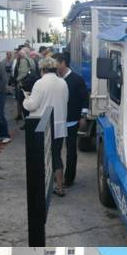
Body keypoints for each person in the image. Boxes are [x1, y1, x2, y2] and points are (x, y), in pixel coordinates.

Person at [23, 57, 68, 196]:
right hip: (59, 124)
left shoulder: (40, 83)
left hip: (43, 125)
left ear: (42, 69)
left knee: (41, 157)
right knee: (56, 155)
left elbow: (32, 105)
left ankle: (41, 187)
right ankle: (60, 186)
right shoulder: (63, 82)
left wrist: (26, 99)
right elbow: (65, 100)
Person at [53, 51, 89, 187]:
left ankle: (69, 178)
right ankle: (57, 175)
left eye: (56, 63)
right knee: (55, 150)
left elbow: (84, 98)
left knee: (71, 150)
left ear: (63, 63)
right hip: (57, 120)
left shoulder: (77, 79)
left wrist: (83, 116)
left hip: (72, 120)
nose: (54, 66)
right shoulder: (55, 79)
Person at [12, 47, 37, 120]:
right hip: (30, 84)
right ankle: (30, 119)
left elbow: (22, 74)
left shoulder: (23, 61)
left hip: (24, 85)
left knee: (24, 103)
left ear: (25, 53)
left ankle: (27, 120)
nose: (20, 54)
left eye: (21, 53)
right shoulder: (31, 60)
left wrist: (17, 80)